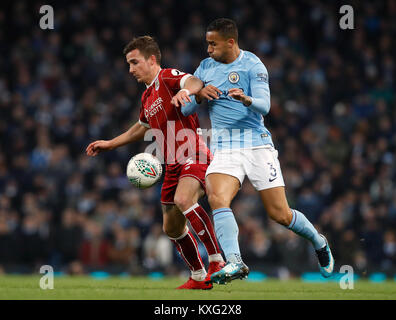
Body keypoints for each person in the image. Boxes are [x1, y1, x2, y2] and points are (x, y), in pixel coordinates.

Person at [182, 18, 334, 284]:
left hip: (257, 145)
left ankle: (318, 240)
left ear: (230, 42)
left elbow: (265, 105)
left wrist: (246, 99)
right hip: (225, 149)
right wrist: (199, 95)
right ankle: (235, 262)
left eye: (213, 44)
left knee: (280, 214)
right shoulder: (205, 68)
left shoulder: (253, 65)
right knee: (217, 198)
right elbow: (185, 110)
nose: (208, 49)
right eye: (207, 43)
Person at [86, 36, 224, 289]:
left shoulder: (167, 76)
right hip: (172, 164)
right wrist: (110, 143)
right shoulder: (147, 97)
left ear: (151, 60)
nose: (130, 69)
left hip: (194, 152)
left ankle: (217, 260)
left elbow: (193, 81)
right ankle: (197, 276)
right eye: (128, 64)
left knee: (184, 200)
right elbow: (141, 128)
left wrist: (185, 91)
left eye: (134, 62)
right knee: (171, 227)